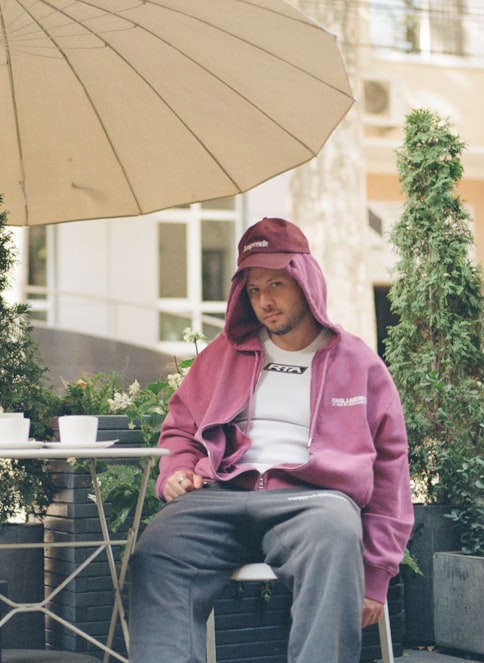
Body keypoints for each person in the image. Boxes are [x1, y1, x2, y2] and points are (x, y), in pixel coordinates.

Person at [128, 217, 413, 663]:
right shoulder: (224, 354)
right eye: (255, 289)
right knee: (157, 552)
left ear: (306, 281)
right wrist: (177, 470)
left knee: (338, 531)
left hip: (314, 501)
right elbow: (181, 424)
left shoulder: (360, 364)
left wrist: (375, 575)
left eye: (276, 284)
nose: (265, 301)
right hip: (223, 493)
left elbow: (391, 470)